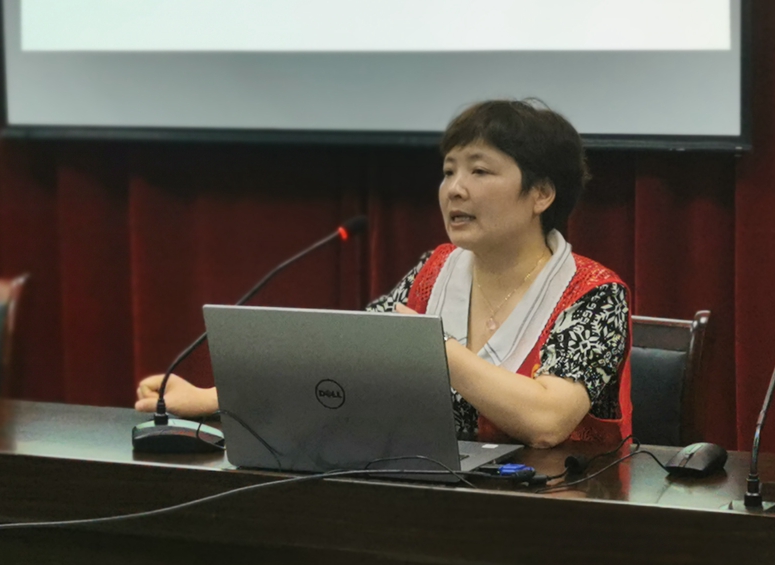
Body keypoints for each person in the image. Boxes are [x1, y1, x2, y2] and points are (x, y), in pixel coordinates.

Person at [135, 99, 631, 449]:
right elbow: (346, 361)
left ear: (541, 194)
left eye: (479, 171)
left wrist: (433, 349)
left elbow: (547, 421)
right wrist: (211, 399)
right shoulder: (435, 271)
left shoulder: (593, 294)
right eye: (449, 171)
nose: (455, 189)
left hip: (556, 515)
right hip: (433, 498)